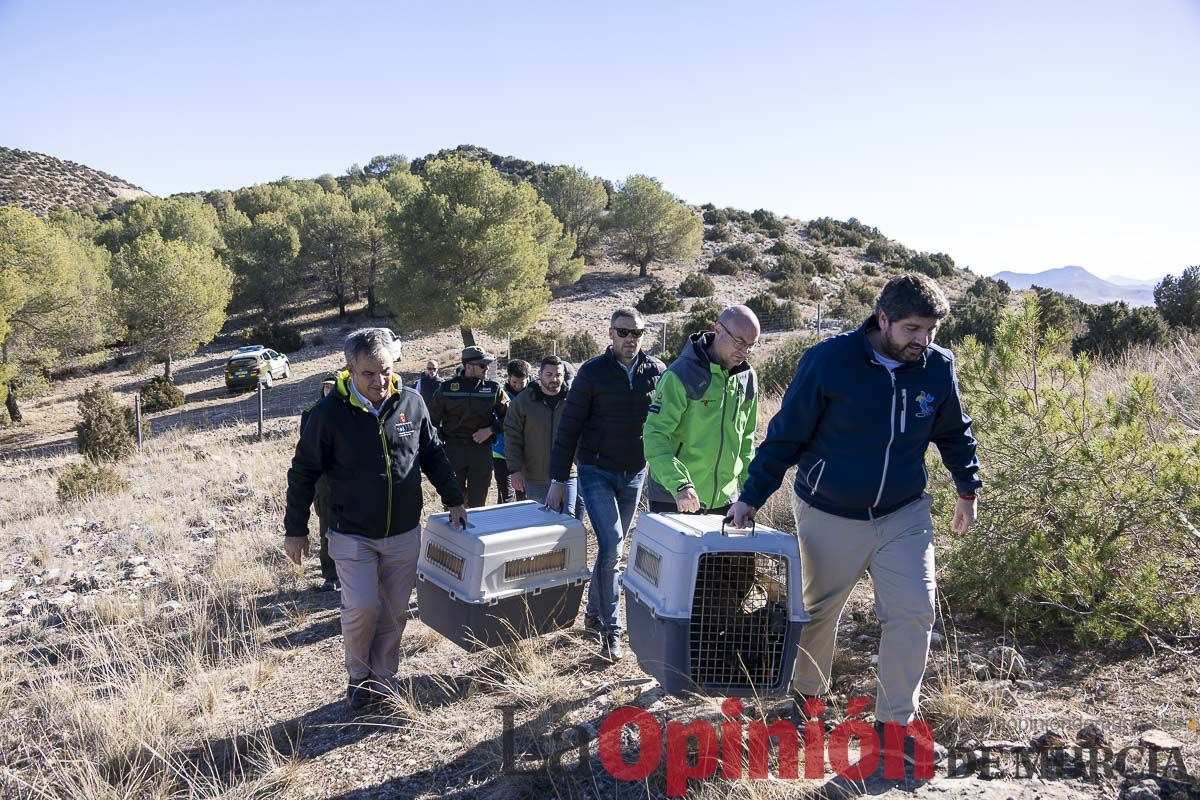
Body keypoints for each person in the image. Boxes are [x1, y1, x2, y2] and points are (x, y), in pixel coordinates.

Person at [728, 273, 980, 769]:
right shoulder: (830, 361)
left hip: (905, 513)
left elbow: (954, 431)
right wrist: (752, 497)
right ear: (882, 318)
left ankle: (895, 728)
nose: (921, 341)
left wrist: (966, 488)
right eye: (911, 329)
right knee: (818, 614)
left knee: (914, 611)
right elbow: (785, 435)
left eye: (929, 331)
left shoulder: (937, 367)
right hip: (829, 512)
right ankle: (806, 705)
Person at [284, 328, 466, 711]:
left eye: (384, 370)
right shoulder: (329, 413)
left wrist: (454, 499)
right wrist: (296, 529)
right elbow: (303, 471)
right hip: (352, 534)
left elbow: (432, 453)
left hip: (403, 532)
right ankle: (358, 675)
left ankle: (383, 677)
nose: (378, 381)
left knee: (395, 610)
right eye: (368, 373)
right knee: (363, 607)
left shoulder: (412, 404)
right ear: (350, 370)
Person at [546, 307, 666, 660]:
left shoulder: (656, 372)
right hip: (595, 470)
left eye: (637, 333)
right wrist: (557, 478)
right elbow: (569, 426)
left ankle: (595, 614)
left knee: (611, 549)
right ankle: (612, 631)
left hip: (634, 473)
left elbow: (667, 423)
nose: (631, 339)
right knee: (613, 543)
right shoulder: (592, 373)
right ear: (611, 333)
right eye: (623, 332)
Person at [643, 305, 761, 516]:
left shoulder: (748, 377)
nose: (745, 352)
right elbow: (655, 436)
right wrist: (680, 485)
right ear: (718, 330)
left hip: (727, 500)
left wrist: (750, 493)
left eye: (751, 345)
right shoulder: (679, 375)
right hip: (675, 497)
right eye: (739, 342)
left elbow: (746, 442)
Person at [428, 346, 509, 509]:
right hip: (453, 451)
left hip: (480, 451)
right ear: (468, 367)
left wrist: (490, 430)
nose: (487, 368)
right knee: (452, 503)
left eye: (487, 365)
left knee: (478, 504)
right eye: (482, 365)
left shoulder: (493, 389)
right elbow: (430, 422)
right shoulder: (447, 389)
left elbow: (511, 417)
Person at [505, 355, 576, 512]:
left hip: (567, 474)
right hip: (535, 475)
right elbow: (512, 436)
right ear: (539, 374)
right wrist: (515, 470)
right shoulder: (523, 401)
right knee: (539, 525)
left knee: (569, 522)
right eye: (549, 374)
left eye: (558, 375)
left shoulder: (574, 400)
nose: (554, 379)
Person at [298, 373, 340, 592]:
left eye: (332, 387)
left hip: (346, 478)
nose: (328, 390)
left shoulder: (349, 410)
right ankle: (330, 575)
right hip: (324, 479)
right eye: (325, 387)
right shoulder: (311, 412)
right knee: (327, 528)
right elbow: (306, 448)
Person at [491, 359, 530, 504]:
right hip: (501, 451)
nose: (518, 386)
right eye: (514, 383)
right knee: (506, 495)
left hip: (526, 453)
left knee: (524, 495)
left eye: (522, 383)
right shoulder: (499, 394)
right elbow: (495, 420)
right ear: (508, 378)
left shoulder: (533, 393)